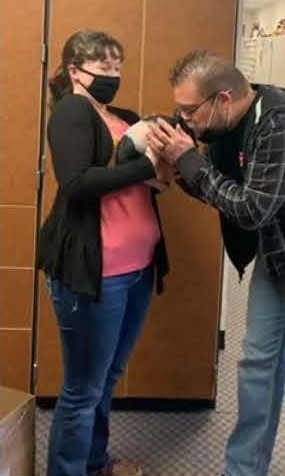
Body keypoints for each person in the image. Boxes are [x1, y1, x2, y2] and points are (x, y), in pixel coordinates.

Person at [147, 50, 285, 476]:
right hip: (277, 260)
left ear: (223, 99)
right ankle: (243, 470)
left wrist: (190, 162)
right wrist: (180, 163)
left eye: (190, 110)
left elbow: (251, 210)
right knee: (256, 371)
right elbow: (218, 190)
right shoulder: (228, 123)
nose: (185, 120)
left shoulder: (282, 123)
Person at [37, 30, 171, 476]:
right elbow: (76, 183)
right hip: (97, 273)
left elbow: (147, 180)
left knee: (107, 378)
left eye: (118, 68)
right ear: (75, 71)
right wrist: (146, 166)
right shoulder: (73, 112)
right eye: (104, 68)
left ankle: (94, 462)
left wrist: (162, 163)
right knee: (83, 388)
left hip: (136, 270)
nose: (114, 76)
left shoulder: (122, 117)